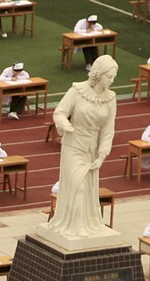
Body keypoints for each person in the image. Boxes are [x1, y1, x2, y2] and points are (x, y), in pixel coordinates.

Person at [46, 57, 118, 239]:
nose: (111, 80)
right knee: (78, 185)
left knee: (87, 190)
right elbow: (60, 112)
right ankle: (74, 226)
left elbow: (108, 130)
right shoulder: (77, 91)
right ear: (99, 74)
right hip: (74, 145)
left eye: (113, 77)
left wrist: (102, 156)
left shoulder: (110, 99)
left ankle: (86, 223)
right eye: (109, 76)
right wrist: (64, 124)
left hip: (92, 150)